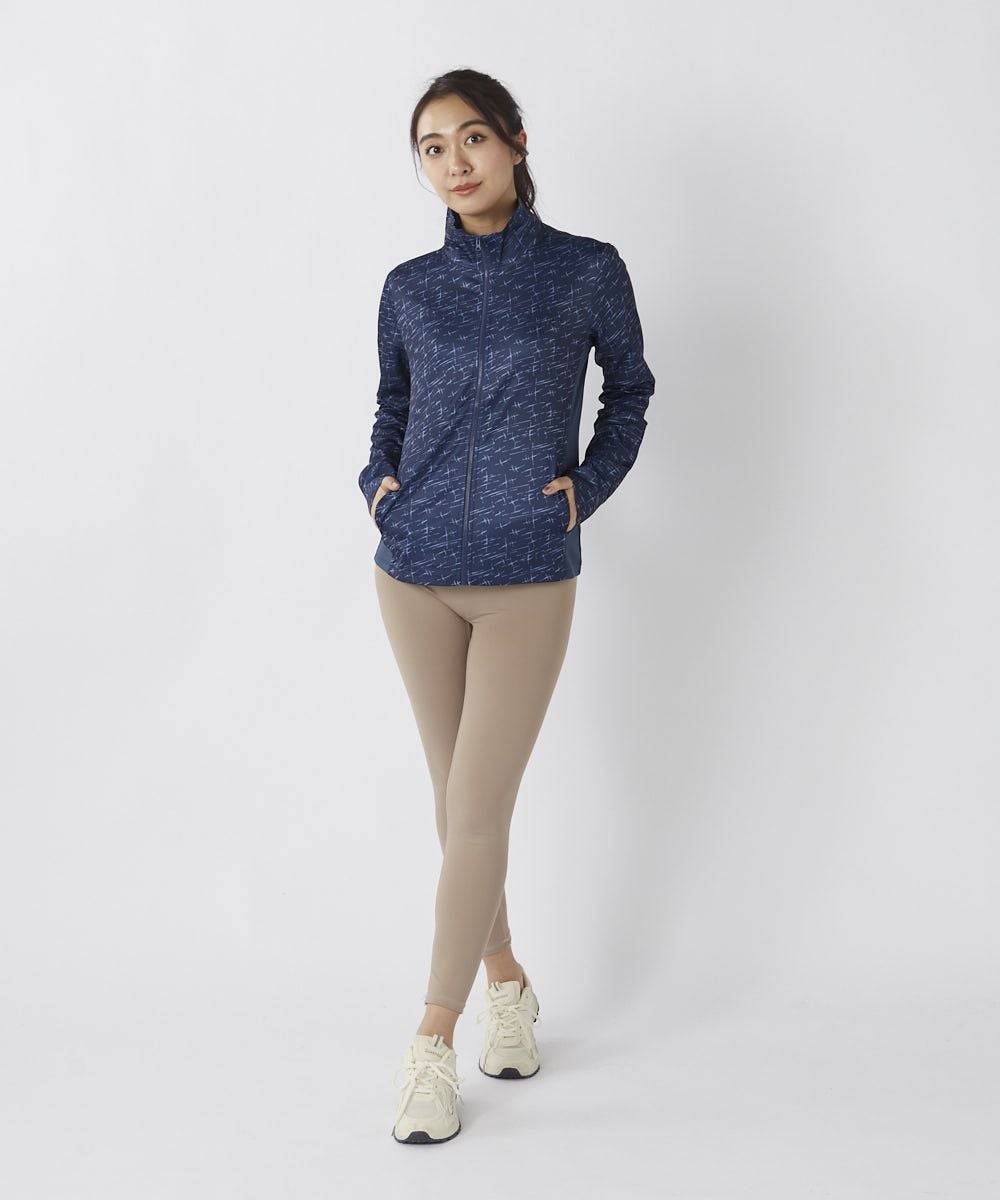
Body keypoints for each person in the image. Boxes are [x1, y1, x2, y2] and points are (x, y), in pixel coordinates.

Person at [359, 68, 656, 1144]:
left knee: (477, 810)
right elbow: (392, 400)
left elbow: (630, 390)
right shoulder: (408, 286)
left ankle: (432, 1043)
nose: (455, 163)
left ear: (516, 143)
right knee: (457, 811)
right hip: (414, 574)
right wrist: (377, 482)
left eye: (472, 138)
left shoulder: (585, 270)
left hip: (527, 575)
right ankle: (508, 984)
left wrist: (588, 485)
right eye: (432, 148)